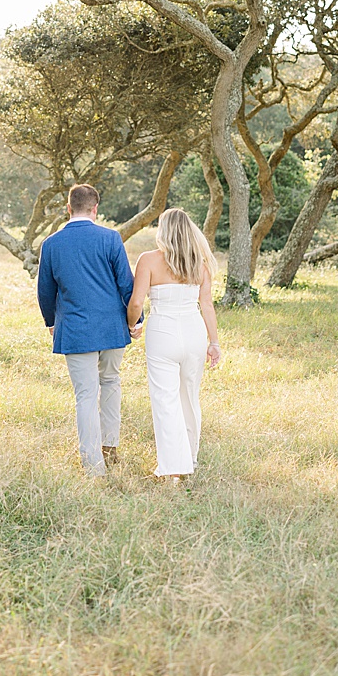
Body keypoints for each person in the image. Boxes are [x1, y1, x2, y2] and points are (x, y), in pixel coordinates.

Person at [37, 183, 136, 477]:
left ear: (69, 208)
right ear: (95, 209)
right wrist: (136, 320)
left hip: (76, 329)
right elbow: (126, 283)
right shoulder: (110, 238)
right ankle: (110, 447)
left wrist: (52, 322)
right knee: (112, 382)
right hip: (111, 327)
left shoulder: (51, 244)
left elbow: (45, 291)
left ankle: (93, 465)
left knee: (85, 394)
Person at [127, 207, 222, 487]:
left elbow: (136, 303)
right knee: (189, 397)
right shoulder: (200, 264)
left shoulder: (149, 260)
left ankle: (173, 469)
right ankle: (189, 457)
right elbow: (206, 304)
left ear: (163, 230)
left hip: (162, 333)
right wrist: (214, 342)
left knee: (165, 400)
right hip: (193, 333)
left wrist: (132, 325)